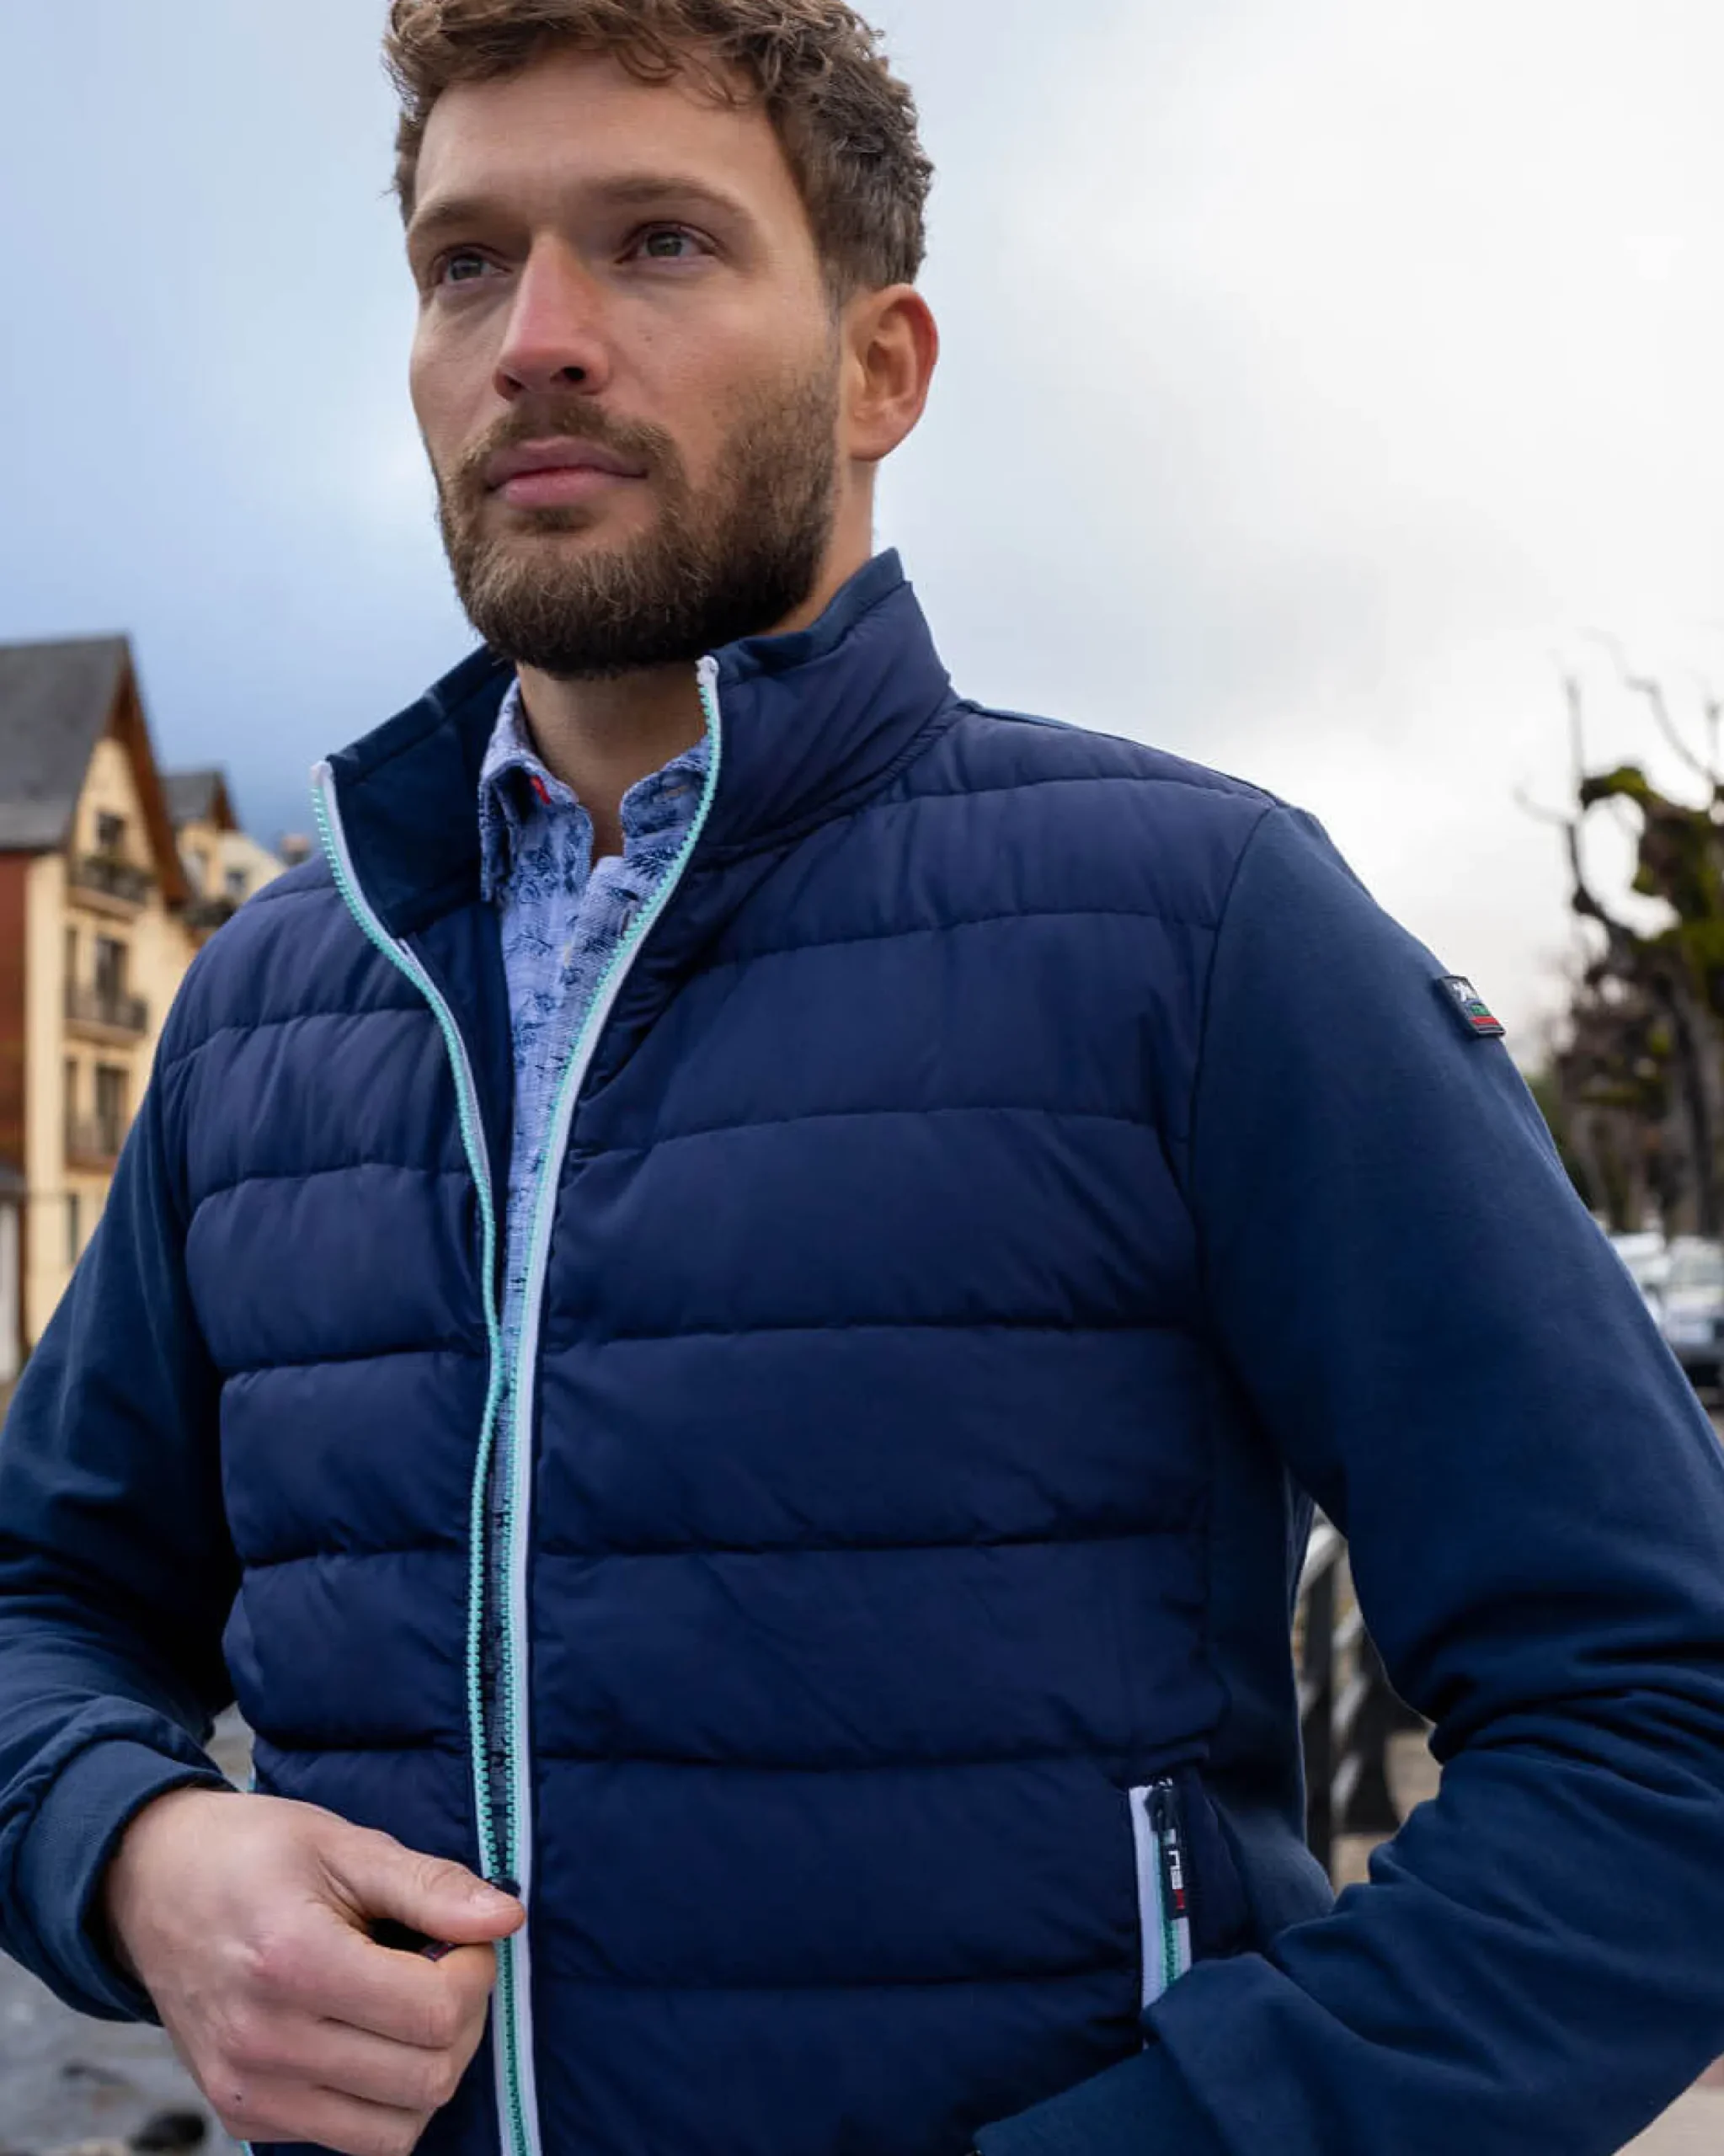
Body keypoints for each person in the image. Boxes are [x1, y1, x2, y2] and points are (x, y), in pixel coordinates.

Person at [3, 3, 1723, 2153]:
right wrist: (137, 1852)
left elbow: (1664, 1731)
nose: (536, 338)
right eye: (465, 262)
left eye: (658, 241)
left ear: (882, 366)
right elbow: (41, 1598)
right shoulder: (269, 1001)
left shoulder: (1199, 931)